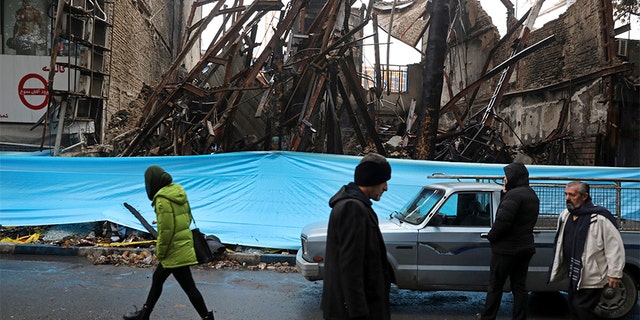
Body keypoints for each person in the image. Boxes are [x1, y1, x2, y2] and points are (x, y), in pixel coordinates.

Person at [123, 165, 214, 320]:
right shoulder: (178, 191)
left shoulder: (162, 200)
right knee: (159, 279)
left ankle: (206, 318)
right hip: (182, 244)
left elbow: (166, 231)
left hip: (173, 250)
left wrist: (161, 251)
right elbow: (187, 218)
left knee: (187, 286)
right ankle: (145, 314)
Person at [321, 153, 393, 320]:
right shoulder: (353, 208)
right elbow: (350, 267)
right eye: (384, 181)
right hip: (354, 312)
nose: (386, 187)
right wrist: (359, 312)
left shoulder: (356, 205)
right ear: (372, 179)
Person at [548, 181, 625, 319]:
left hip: (592, 275)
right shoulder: (565, 215)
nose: (567, 198)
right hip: (574, 274)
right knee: (573, 307)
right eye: (566, 194)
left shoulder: (600, 217)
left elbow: (614, 246)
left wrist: (615, 273)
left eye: (572, 195)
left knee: (581, 308)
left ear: (584, 196)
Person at [478, 162, 540, 320]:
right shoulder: (531, 194)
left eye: (506, 175)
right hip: (525, 247)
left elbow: (503, 221)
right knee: (519, 286)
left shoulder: (514, 195)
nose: (504, 178)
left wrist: (491, 237)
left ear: (513, 177)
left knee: (495, 286)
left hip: (506, 249)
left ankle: (488, 317)